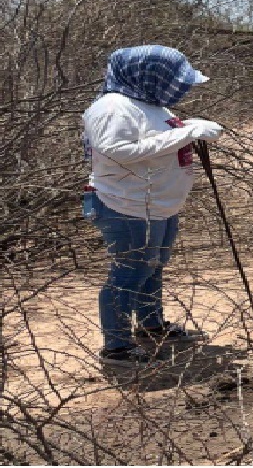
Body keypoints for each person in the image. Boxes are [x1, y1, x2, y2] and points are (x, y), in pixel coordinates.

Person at [82, 45, 223, 369]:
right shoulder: (113, 107)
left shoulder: (150, 104)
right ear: (147, 75)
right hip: (128, 204)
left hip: (158, 203)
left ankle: (151, 324)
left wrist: (187, 126)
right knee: (130, 272)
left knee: (153, 266)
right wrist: (186, 133)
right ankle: (116, 347)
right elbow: (117, 150)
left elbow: (154, 138)